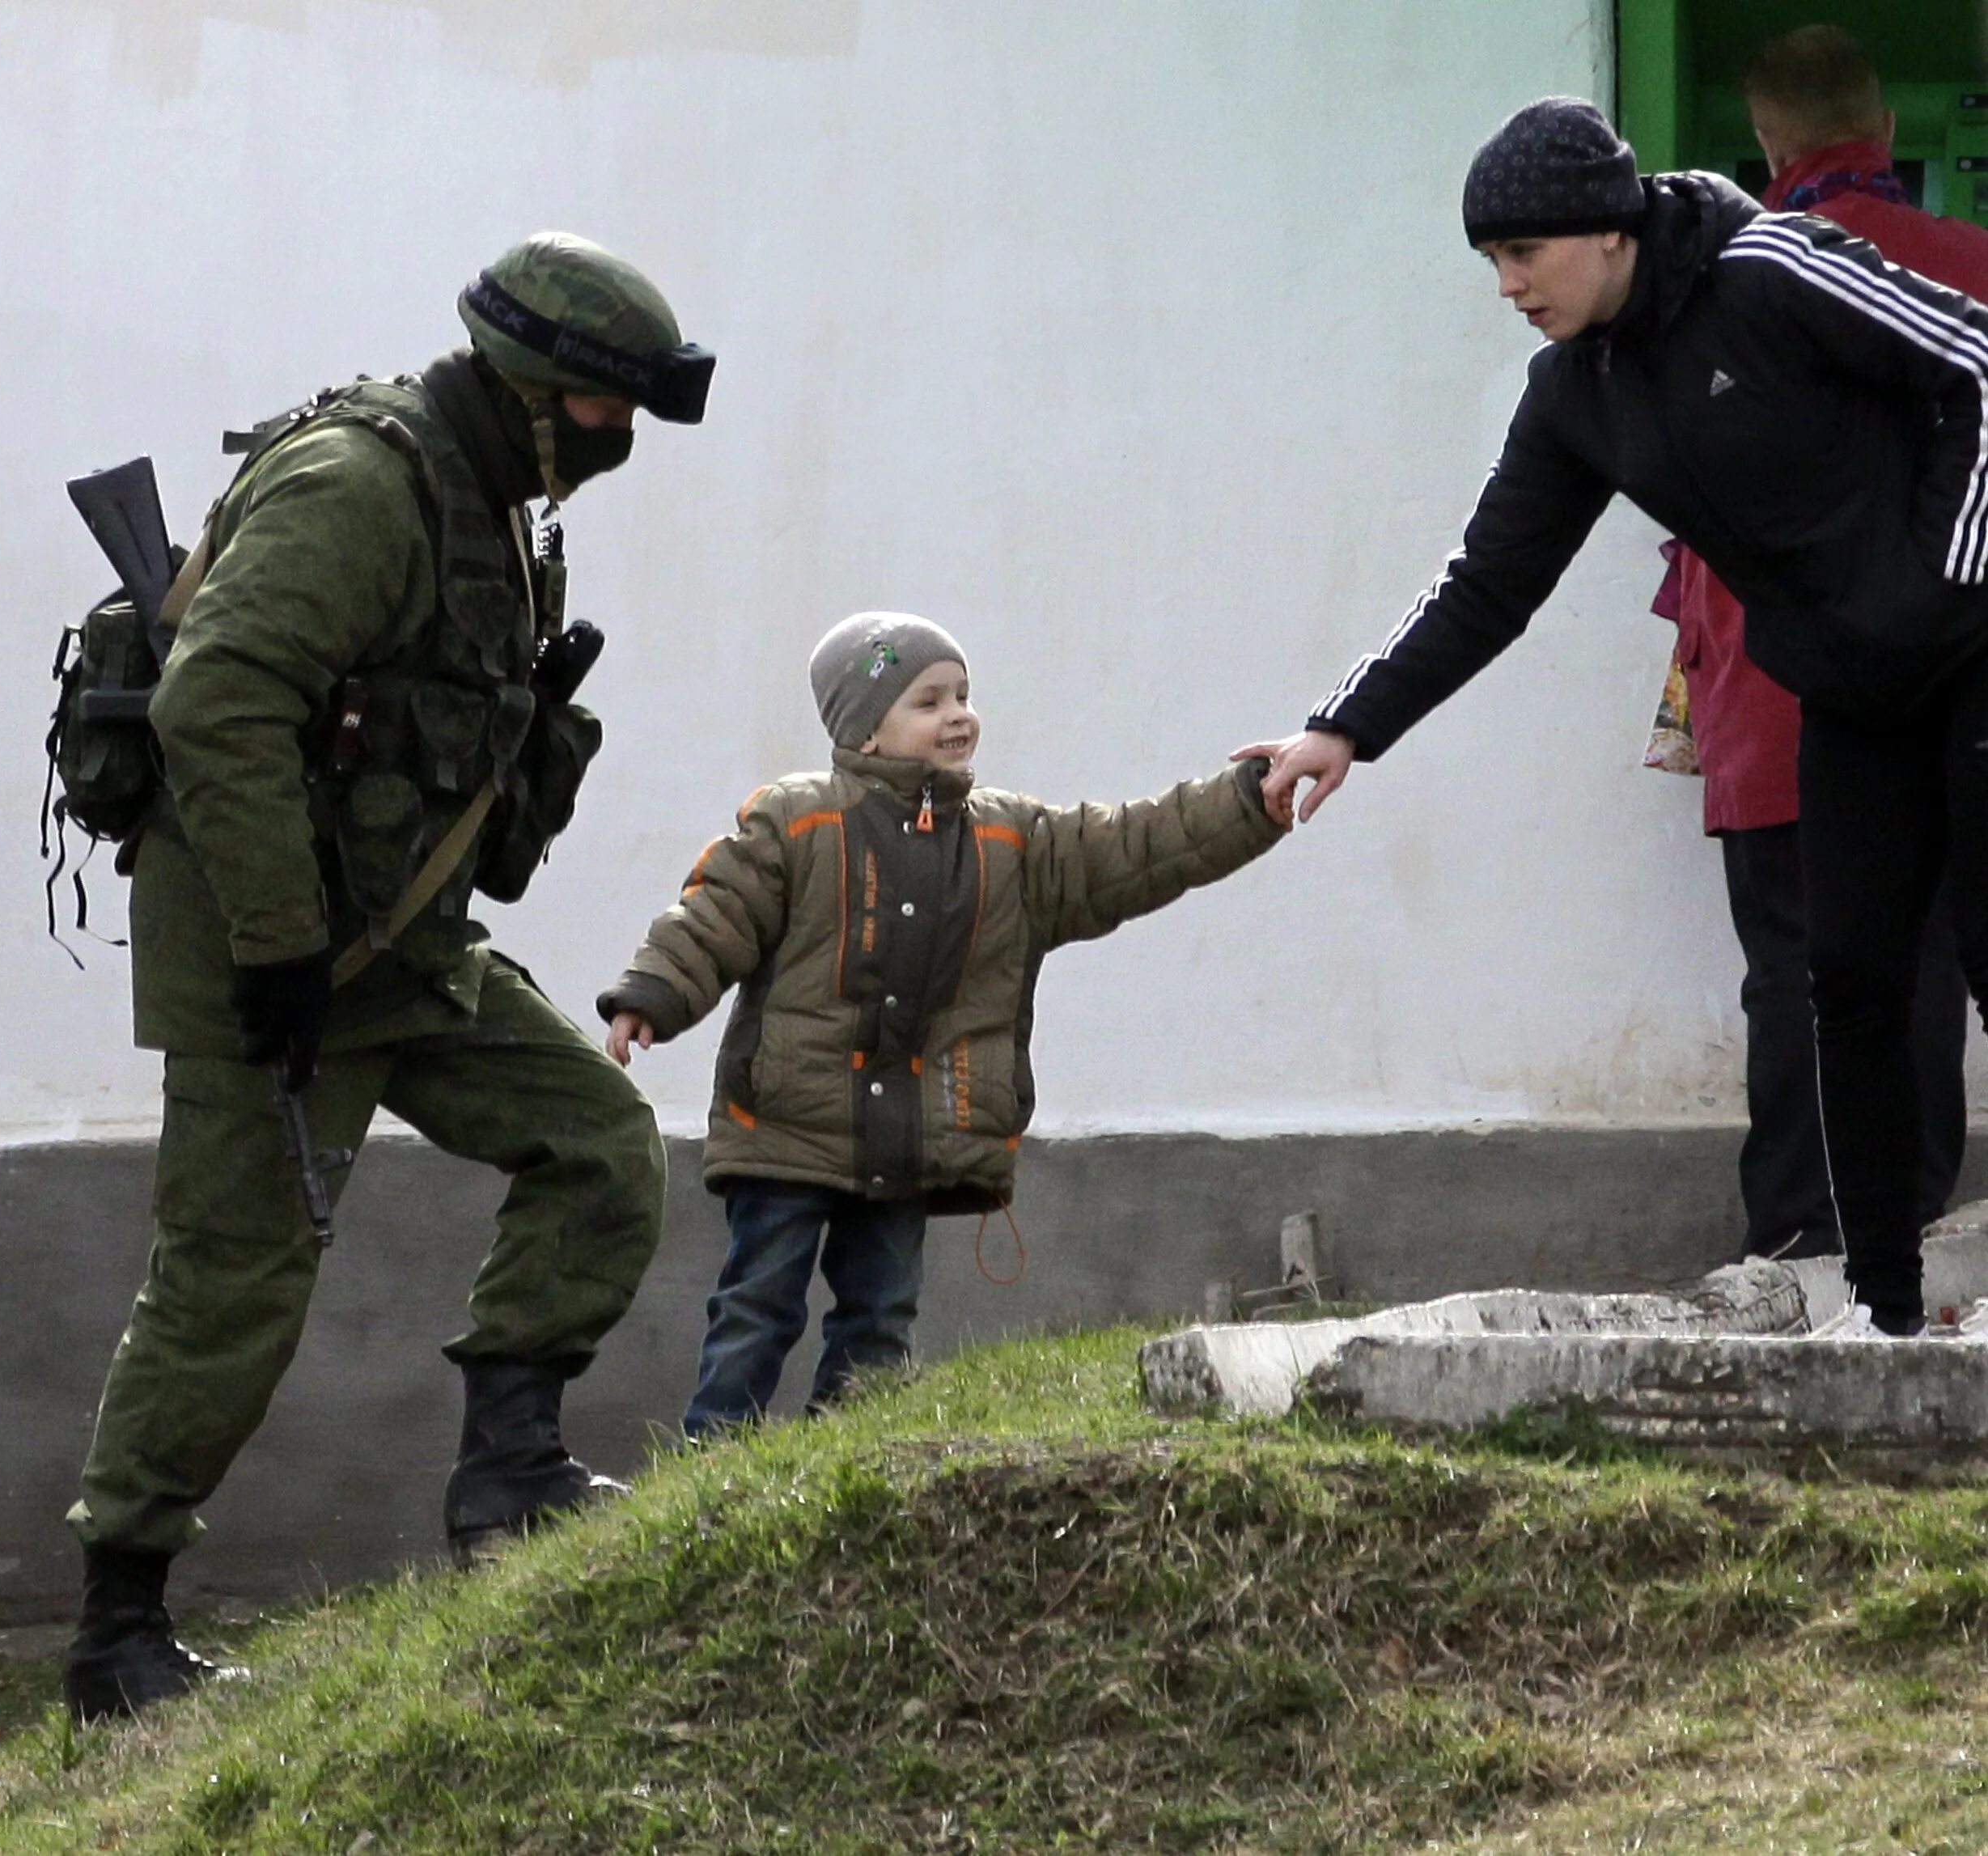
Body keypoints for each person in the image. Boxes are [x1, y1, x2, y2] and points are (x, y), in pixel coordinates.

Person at [62, 231, 714, 1721]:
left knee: (598, 1142)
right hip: (269, 956)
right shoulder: (365, 485)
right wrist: (281, 947)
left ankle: (512, 1468)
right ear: (547, 391)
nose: (619, 449)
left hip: (402, 946)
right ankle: (118, 1626)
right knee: (234, 1280)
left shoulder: (502, 506)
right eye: (612, 415)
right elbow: (218, 698)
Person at [1240, 96, 1988, 1338]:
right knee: (1845, 983)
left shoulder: (1771, 267)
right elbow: (1489, 583)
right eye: (1490, 262)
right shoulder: (1576, 390)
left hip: (1970, 649)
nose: (1506, 286)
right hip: (1851, 688)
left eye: (1522, 255)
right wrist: (1346, 726)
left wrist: (1948, 578)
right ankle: (1887, 1313)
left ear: (1607, 229)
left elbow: (1976, 357)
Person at [597, 612, 1284, 1438]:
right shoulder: (798, 820)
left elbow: (1135, 846)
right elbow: (713, 916)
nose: (958, 713)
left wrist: (1247, 800)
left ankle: (849, 1455)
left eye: (962, 693)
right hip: (786, 1126)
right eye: (928, 699)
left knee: (882, 1315)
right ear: (866, 726)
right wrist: (652, 995)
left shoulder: (1011, 839)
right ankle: (710, 1460)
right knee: (757, 1306)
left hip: (912, 1139)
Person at [1658, 26, 1985, 1261]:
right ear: (1887, 135)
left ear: (1764, 144)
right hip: (1951, 687)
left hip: (1779, 691)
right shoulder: (1972, 265)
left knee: (1798, 968)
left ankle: (1801, 1235)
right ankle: (1917, 1233)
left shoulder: (1725, 284)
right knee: (1931, 964)